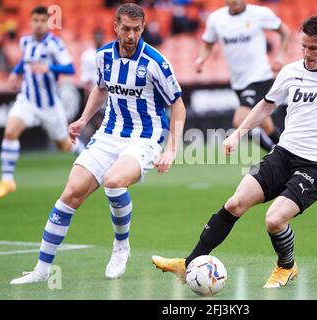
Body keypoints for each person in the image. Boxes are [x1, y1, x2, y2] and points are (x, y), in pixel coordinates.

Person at [152, 16, 317, 288]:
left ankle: (286, 266)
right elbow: (266, 106)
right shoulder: (291, 71)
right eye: (304, 46)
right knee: (235, 203)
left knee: (274, 219)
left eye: (314, 48)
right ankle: (189, 264)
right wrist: (237, 134)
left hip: (316, 166)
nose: (307, 54)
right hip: (282, 154)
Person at [10, 3, 186, 284]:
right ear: (115, 26)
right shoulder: (103, 56)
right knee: (70, 193)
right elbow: (101, 89)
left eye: (137, 30)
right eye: (125, 29)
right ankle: (41, 271)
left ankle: (120, 246)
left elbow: (178, 106)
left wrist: (172, 150)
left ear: (143, 28)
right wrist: (82, 119)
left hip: (144, 137)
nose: (130, 35)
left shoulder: (156, 62)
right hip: (108, 133)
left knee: (114, 181)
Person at [0, 6, 85, 199]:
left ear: (47, 23)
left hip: (49, 105)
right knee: (10, 131)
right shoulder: (25, 41)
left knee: (64, 145)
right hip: (27, 100)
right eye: (36, 21)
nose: (39, 24)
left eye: (43, 21)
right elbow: (24, 61)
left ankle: (87, 157)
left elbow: (70, 68)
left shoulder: (54, 44)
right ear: (31, 22)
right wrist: (15, 74)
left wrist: (49, 67)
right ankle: (7, 180)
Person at [195, 0, 291, 152]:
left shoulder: (259, 13)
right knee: (265, 125)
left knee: (240, 121)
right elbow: (208, 43)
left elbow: (285, 31)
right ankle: (287, 154)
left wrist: (280, 56)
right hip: (238, 82)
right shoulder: (216, 19)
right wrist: (201, 59)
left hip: (259, 76)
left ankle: (279, 156)